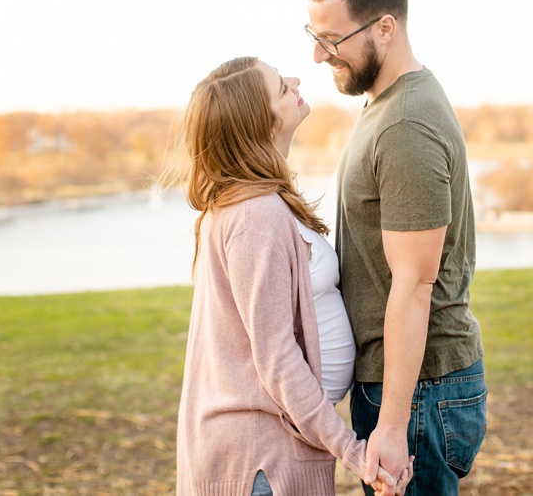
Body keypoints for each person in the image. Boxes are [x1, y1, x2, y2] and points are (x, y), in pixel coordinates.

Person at [172, 57, 412, 496]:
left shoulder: (254, 204)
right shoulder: (254, 217)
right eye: (281, 87)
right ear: (259, 122)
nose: (297, 81)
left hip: (269, 453)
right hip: (259, 460)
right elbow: (277, 357)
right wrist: (353, 451)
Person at [301, 0, 487, 495]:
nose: (317, 56)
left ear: (385, 27)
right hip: (407, 388)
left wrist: (391, 424)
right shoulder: (387, 104)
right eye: (312, 35)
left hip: (415, 392)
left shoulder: (405, 123)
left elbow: (414, 282)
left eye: (331, 40)